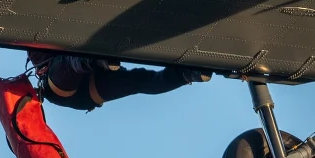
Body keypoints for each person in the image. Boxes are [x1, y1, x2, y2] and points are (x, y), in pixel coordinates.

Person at [32, 53, 210, 112]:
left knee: (139, 81)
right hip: (65, 85)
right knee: (70, 64)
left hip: (89, 89)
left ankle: (186, 75)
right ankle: (95, 59)